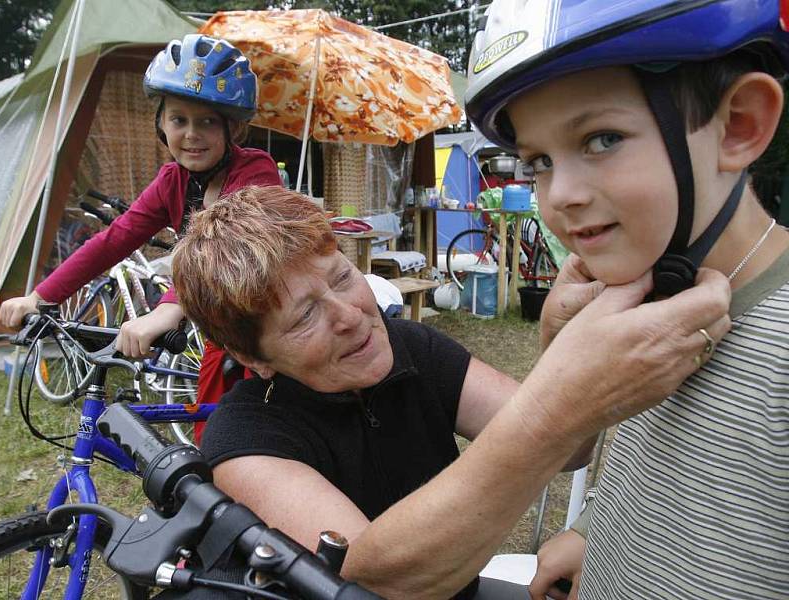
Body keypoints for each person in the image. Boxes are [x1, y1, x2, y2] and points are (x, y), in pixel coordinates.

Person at [169, 184, 730, 599]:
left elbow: (574, 450)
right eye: (303, 317)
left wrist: (561, 347)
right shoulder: (243, 439)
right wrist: (556, 406)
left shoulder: (408, 346)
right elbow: (381, 576)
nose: (352, 316)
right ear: (253, 357)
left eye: (342, 277)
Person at [464, 0, 789, 598]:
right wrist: (595, 531)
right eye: (538, 161)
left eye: (601, 139)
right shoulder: (652, 301)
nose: (559, 195)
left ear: (739, 125)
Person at [0, 34, 282, 436]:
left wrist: (167, 310)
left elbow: (226, 249)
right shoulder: (171, 180)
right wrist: (41, 295)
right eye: (179, 120)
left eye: (207, 122)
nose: (191, 134)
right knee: (211, 434)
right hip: (225, 330)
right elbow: (114, 239)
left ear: (232, 130)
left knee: (273, 433)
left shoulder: (256, 172)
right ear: (161, 125)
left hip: (275, 325)